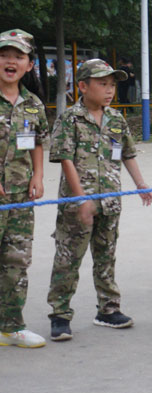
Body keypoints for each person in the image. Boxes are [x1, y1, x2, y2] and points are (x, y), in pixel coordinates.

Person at [46, 59, 152, 341]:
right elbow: (65, 159)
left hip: (110, 200)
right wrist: (81, 199)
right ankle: (60, 314)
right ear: (82, 86)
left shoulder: (116, 119)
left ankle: (108, 309)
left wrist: (140, 184)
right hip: (77, 204)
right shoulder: (70, 118)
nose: (109, 90)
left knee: (106, 257)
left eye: (112, 85)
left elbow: (127, 154)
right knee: (68, 258)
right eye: (102, 84)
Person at [0, 29, 49, 349]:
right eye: (5, 54)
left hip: (20, 196)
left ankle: (10, 327)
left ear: (29, 65)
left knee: (16, 261)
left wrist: (38, 176)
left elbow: (37, 143)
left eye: (18, 56)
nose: (11, 61)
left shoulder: (32, 104)